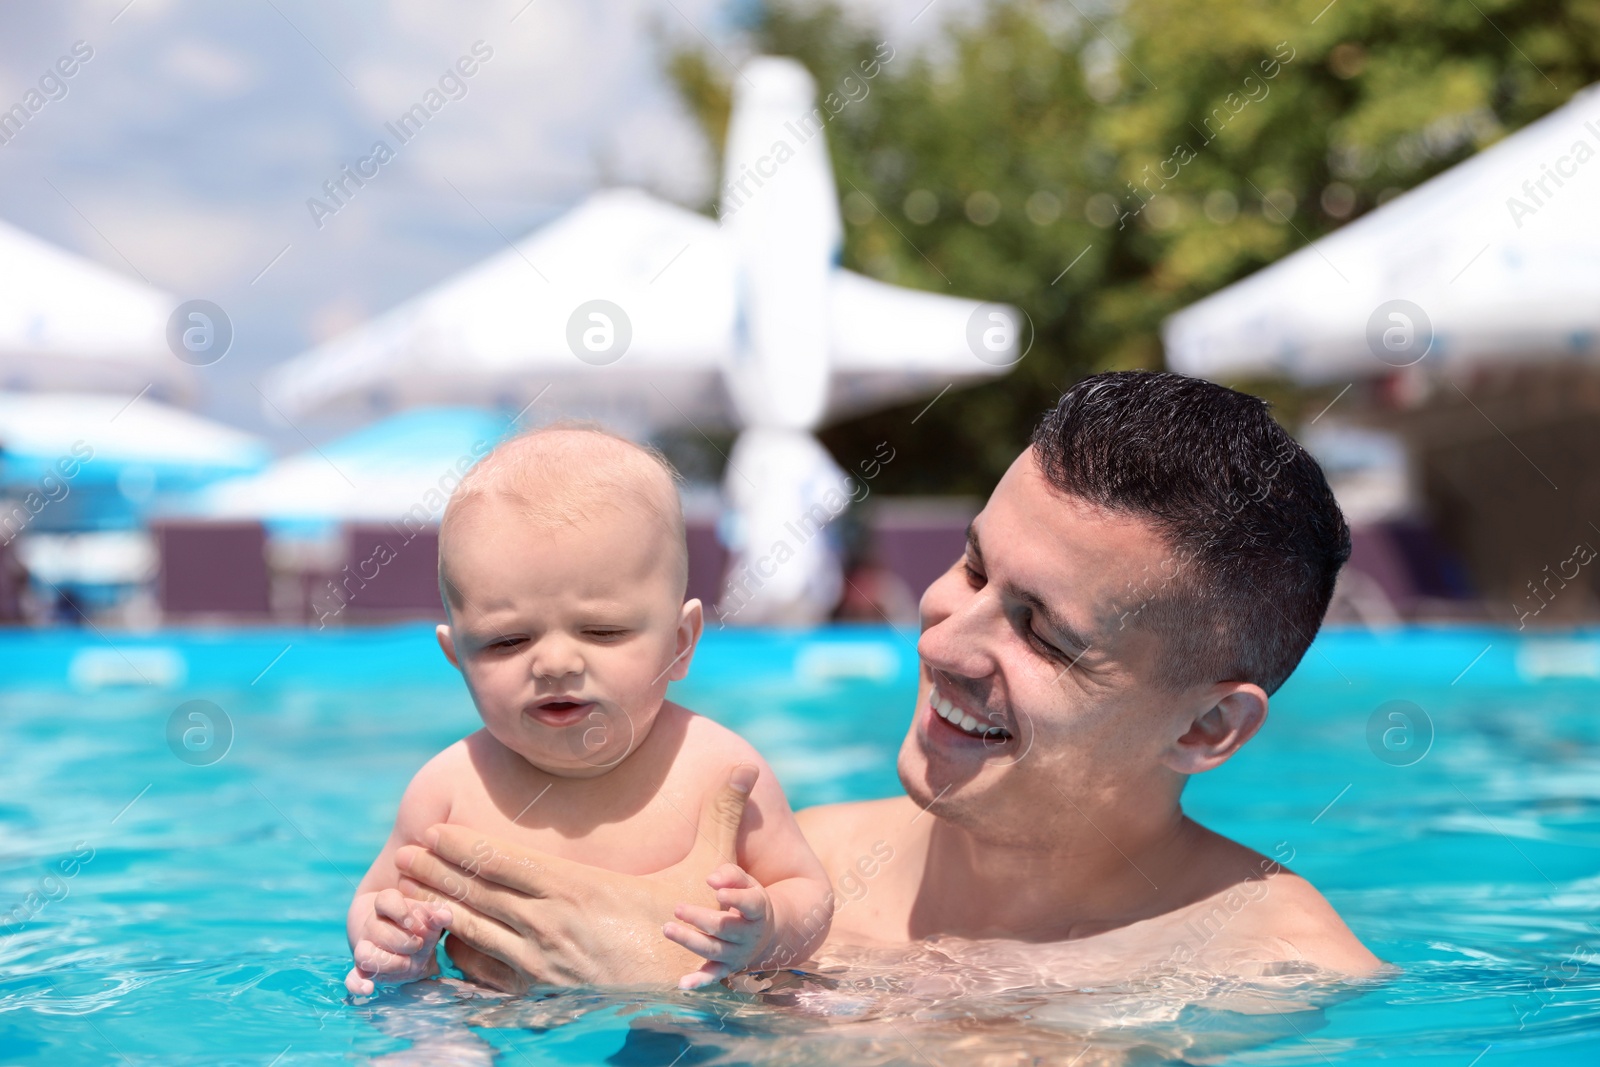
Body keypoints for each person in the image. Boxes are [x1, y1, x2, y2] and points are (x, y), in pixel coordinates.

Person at [390, 373, 1380, 989]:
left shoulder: (1276, 974)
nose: (949, 637)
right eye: (975, 568)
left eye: (1043, 634)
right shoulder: (786, 863)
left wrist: (670, 979)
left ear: (1207, 726)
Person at [344, 426, 832, 995]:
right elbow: (372, 899)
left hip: (676, 1016)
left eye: (602, 630)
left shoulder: (716, 769)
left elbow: (809, 893)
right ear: (458, 657)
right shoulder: (448, 789)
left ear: (680, 643)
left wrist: (766, 930)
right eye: (506, 641)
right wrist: (387, 935)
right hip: (494, 1015)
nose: (553, 662)